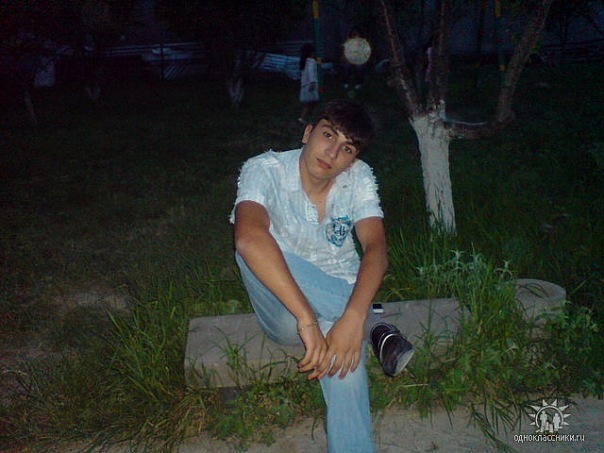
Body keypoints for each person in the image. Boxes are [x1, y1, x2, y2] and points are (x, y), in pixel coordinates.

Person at [230, 100, 414, 453]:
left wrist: (351, 319)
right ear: (307, 133)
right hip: (284, 310)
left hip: (340, 302)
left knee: (343, 352)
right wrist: (308, 319)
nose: (332, 153)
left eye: (347, 148)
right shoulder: (265, 169)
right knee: (257, 247)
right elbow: (248, 239)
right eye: (328, 135)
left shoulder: (358, 178)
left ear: (353, 160)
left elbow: (376, 249)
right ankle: (376, 326)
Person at [298, 43, 319, 124]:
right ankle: (312, 118)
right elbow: (311, 72)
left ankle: (303, 118)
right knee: (315, 103)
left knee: (307, 104)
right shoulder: (311, 61)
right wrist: (312, 82)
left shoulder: (303, 61)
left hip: (304, 84)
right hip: (311, 84)